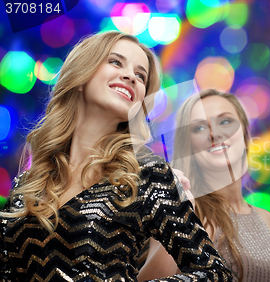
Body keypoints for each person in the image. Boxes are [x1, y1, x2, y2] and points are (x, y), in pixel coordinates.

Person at [0, 31, 232, 281]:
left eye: (141, 76)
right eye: (115, 62)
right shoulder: (27, 184)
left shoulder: (148, 176)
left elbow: (214, 273)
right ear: (80, 73)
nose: (131, 76)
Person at [139, 89, 270, 282]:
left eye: (225, 121)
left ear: (245, 135)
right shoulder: (184, 210)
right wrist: (179, 217)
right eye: (199, 127)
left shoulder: (267, 219)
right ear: (189, 145)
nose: (214, 133)